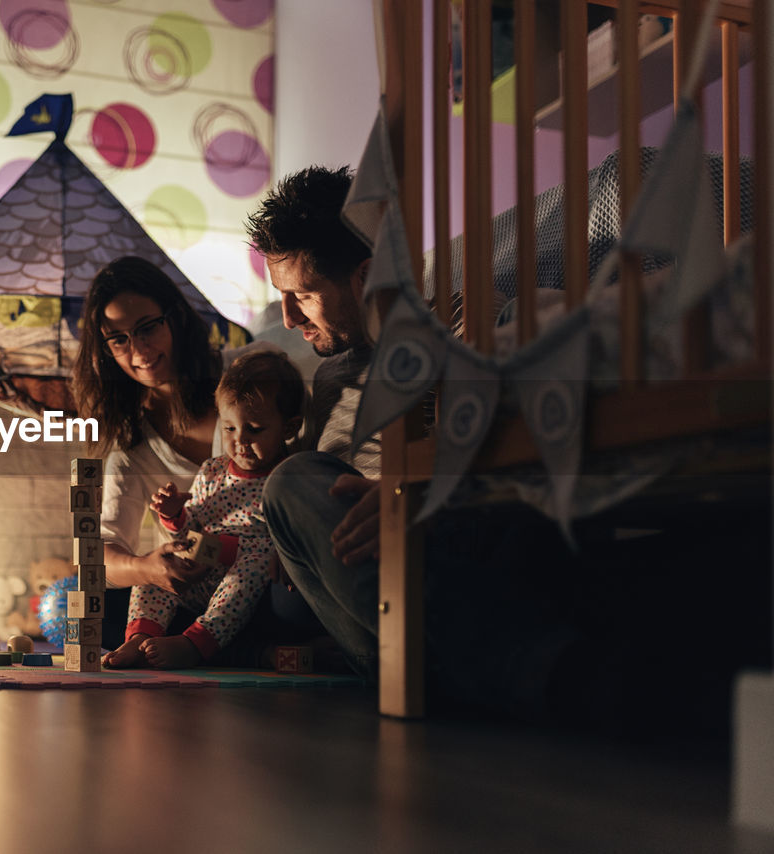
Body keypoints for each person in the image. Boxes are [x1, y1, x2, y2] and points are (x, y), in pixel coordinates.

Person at [248, 166, 770, 728]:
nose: (289, 318)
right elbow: (313, 498)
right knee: (291, 484)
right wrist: (299, 528)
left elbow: (522, 379)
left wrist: (414, 491)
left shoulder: (460, 317)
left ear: (367, 276)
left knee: (521, 529)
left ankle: (482, 667)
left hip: (436, 537)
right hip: (354, 573)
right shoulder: (328, 379)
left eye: (303, 295)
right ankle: (540, 670)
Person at [72, 256, 320, 657]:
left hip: (262, 573)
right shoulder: (132, 441)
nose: (139, 349)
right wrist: (150, 567)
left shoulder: (248, 374)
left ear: (176, 319)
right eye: (118, 339)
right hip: (190, 587)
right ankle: (216, 647)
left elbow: (304, 464)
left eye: (147, 328)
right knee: (96, 610)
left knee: (291, 595)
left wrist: (284, 543)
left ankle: (223, 645)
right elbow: (98, 552)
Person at [103, 350, 305, 669]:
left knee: (253, 563)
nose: (240, 441)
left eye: (254, 429)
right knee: (157, 562)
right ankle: (139, 637)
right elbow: (192, 532)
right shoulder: (212, 471)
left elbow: (295, 534)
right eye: (229, 429)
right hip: (205, 569)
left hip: (250, 583)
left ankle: (195, 643)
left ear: (290, 427)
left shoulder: (291, 476)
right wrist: (174, 516)